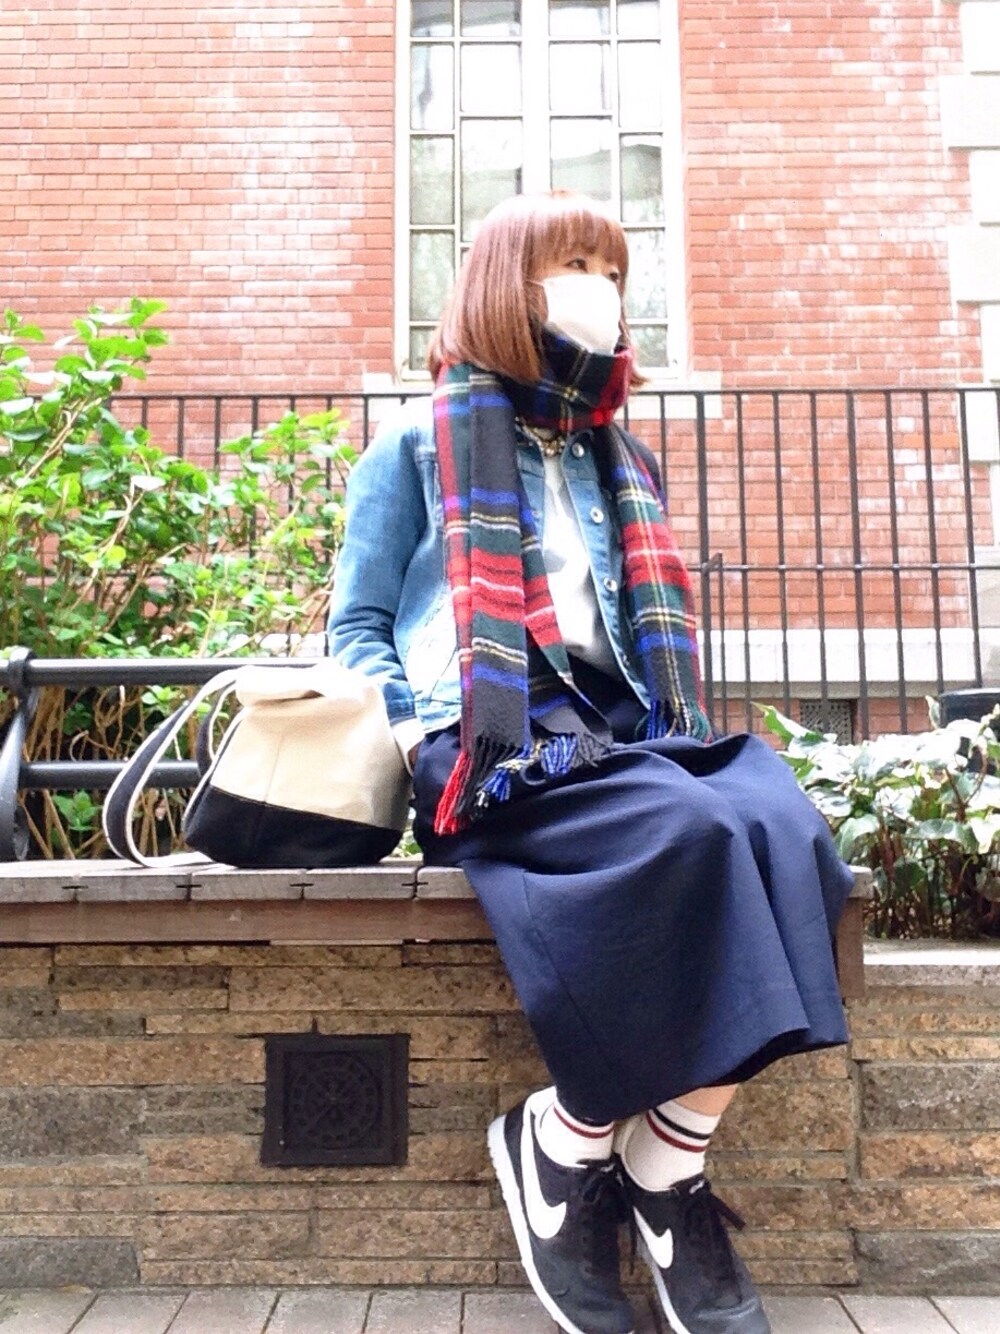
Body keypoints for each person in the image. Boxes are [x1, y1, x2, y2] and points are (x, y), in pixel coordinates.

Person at [328, 191, 853, 1334]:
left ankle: (665, 1155)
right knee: (689, 828)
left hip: (626, 729)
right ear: (504, 283)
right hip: (495, 739)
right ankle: (566, 1143)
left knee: (784, 824)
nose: (599, 290)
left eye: (611, 270)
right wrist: (418, 731)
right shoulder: (414, 446)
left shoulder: (620, 455)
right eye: (572, 264)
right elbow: (356, 623)